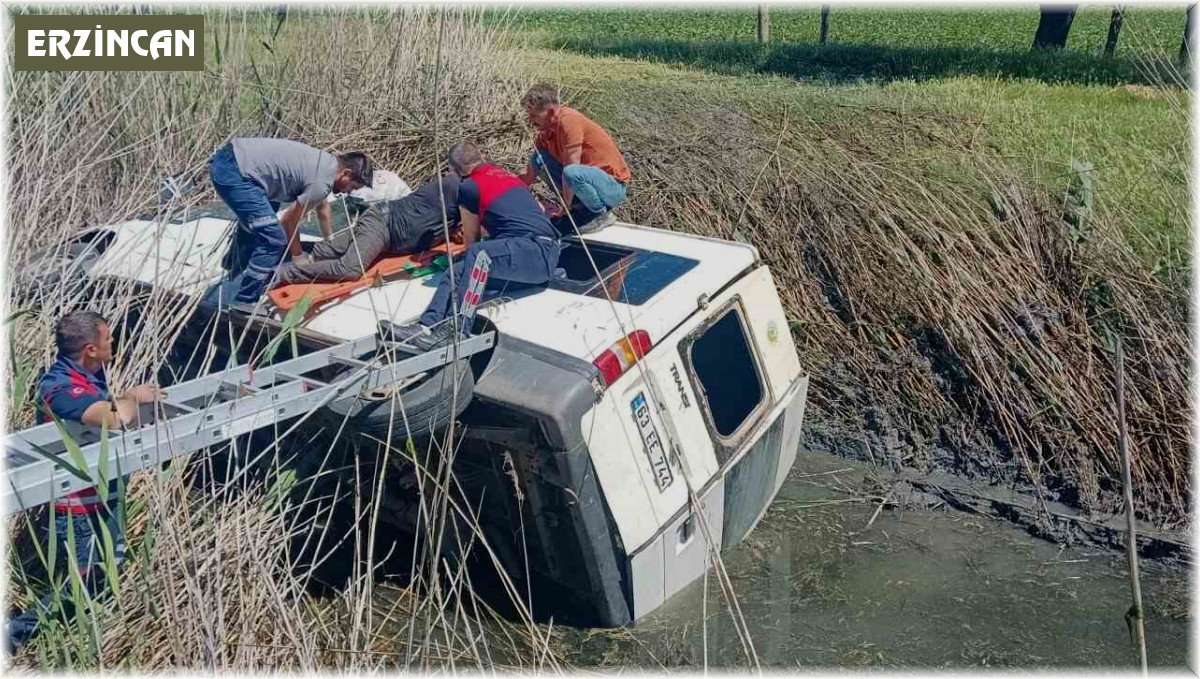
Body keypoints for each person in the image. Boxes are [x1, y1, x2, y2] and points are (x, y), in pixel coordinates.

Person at [7, 311, 164, 651]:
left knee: (102, 575)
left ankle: (71, 631)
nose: (114, 344)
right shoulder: (60, 387)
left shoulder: (85, 376)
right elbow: (112, 419)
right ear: (91, 349)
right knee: (86, 583)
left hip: (100, 498)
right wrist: (133, 397)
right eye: (108, 339)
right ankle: (14, 633)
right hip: (78, 509)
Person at [388, 142, 560, 351]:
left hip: (536, 251)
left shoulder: (470, 187)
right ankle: (427, 325)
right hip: (538, 254)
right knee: (459, 267)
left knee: (477, 254)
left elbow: (472, 240)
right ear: (480, 157)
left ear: (456, 170)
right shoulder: (503, 175)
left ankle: (458, 328)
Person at [208, 138, 373, 305]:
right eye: (352, 187)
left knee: (261, 223)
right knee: (273, 239)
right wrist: (298, 255)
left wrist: (329, 239)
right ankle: (245, 301)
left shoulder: (325, 164)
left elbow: (322, 208)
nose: (348, 191)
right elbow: (288, 221)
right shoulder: (322, 183)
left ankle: (236, 265)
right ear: (346, 173)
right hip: (236, 172)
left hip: (236, 159)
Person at [275, 171, 463, 285]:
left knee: (325, 250)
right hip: (384, 224)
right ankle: (282, 274)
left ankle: (270, 254)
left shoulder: (456, 206)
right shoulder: (456, 187)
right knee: (350, 269)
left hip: (384, 230)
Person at [517, 83, 631, 234]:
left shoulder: (569, 121)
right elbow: (529, 174)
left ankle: (599, 214)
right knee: (539, 158)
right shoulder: (545, 132)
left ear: (551, 112)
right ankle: (581, 209)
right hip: (585, 182)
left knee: (571, 172)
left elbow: (571, 167)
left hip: (612, 186)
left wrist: (566, 206)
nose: (530, 121)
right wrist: (507, 192)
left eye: (534, 116)